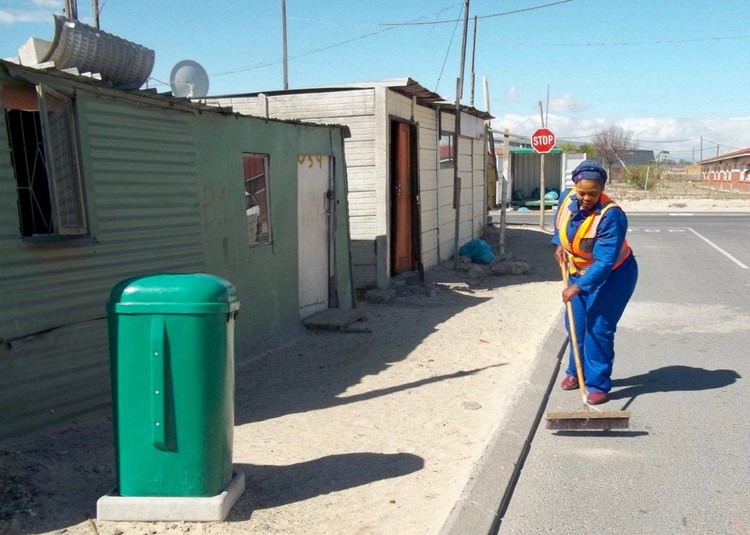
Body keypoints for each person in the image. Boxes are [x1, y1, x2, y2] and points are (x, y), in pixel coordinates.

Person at [551, 160, 638, 405]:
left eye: (593, 193)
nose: (586, 198)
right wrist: (560, 244)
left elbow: (604, 263)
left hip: (614, 276)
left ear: (602, 189)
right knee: (576, 325)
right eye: (582, 193)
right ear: (575, 187)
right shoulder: (567, 198)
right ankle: (575, 373)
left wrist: (576, 287)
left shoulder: (612, 215)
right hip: (576, 270)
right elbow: (559, 224)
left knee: (598, 329)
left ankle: (597, 383)